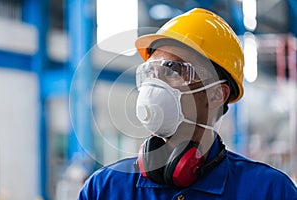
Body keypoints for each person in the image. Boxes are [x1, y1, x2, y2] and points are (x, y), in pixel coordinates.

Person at [78, 8, 297, 199]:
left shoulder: (269, 191)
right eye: (150, 72)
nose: (154, 84)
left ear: (216, 94)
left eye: (172, 70)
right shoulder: (105, 189)